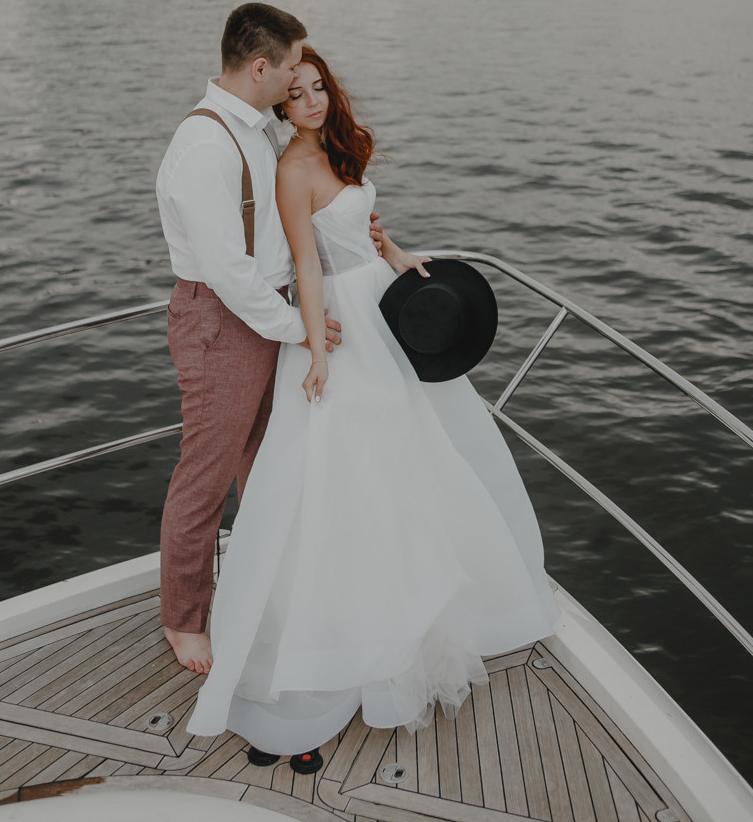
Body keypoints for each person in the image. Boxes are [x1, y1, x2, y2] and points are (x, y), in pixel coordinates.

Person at [187, 47, 559, 764]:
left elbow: (362, 233)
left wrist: (398, 258)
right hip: (341, 330)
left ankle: (400, 642)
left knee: (409, 480)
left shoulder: (338, 148)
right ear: (278, 106)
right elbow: (304, 264)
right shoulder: (291, 169)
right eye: (296, 95)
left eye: (319, 88)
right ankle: (314, 678)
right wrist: (319, 354)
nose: (314, 102)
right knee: (334, 491)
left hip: (381, 314)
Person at [156, 5, 382, 676]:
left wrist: (355, 236)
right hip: (224, 323)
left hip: (266, 312)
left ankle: (268, 592)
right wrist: (300, 330)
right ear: (261, 67)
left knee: (265, 463)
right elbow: (226, 270)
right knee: (205, 474)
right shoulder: (204, 145)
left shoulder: (254, 130)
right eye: (289, 67)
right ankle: (184, 619)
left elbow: (286, 229)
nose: (295, 79)